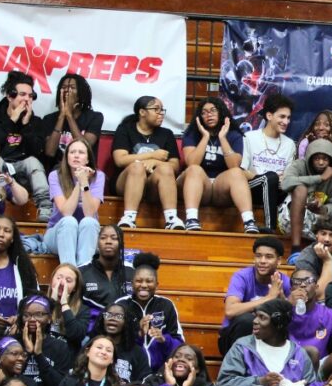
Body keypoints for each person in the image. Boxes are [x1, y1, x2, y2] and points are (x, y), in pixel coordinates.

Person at [0, 71, 50, 221]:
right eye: (22, 94)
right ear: (10, 96)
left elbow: (38, 152)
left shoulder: (35, 122)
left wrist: (26, 125)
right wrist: (11, 121)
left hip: (23, 173)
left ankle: (44, 206)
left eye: (30, 96)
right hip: (0, 168)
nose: (27, 99)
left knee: (33, 162)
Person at [176, 97, 249, 232]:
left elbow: (234, 165)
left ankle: (249, 221)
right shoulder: (192, 133)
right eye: (204, 112)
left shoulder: (234, 135)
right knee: (194, 169)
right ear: (199, 117)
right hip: (197, 183)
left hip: (220, 187)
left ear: (221, 113)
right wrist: (205, 137)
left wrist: (222, 138)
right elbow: (191, 162)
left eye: (213, 111)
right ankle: (191, 219)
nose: (208, 114)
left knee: (237, 173)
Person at [112, 96, 181, 230]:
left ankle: (171, 219)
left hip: (153, 185)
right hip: (126, 182)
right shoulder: (125, 129)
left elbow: (175, 166)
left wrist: (154, 161)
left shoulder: (167, 134)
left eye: (162, 110)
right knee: (137, 167)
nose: (161, 113)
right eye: (156, 109)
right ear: (142, 112)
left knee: (166, 169)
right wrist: (152, 155)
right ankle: (129, 217)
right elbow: (120, 160)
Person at [219, 236, 290, 354]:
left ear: (279, 261)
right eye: (258, 256)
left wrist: (282, 301)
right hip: (232, 338)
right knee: (247, 320)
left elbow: (292, 319)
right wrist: (269, 298)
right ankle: (239, 367)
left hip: (267, 339)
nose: (262, 261)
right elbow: (230, 311)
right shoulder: (242, 277)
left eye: (269, 257)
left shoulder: (284, 282)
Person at [279, 138, 332, 259]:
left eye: (325, 159)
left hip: (319, 218)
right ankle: (295, 250)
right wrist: (320, 178)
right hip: (291, 217)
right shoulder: (299, 165)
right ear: (309, 158)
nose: (321, 162)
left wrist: (322, 209)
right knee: (300, 189)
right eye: (316, 158)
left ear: (331, 160)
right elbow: (285, 183)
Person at [116, 253, 184, 372]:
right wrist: (139, 333)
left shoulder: (166, 305)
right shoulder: (121, 305)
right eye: (138, 281)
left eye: (149, 281)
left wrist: (164, 339)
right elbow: (114, 342)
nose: (143, 285)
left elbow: (180, 345)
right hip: (128, 370)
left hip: (160, 373)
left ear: (157, 284)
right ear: (132, 283)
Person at [44, 138, 104, 267]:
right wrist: (79, 182)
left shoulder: (99, 176)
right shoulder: (55, 175)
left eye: (81, 152)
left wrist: (85, 183)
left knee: (90, 222)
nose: (76, 155)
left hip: (85, 235)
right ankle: (69, 272)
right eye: (72, 152)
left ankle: (84, 271)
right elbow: (66, 212)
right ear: (66, 157)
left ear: (88, 159)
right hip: (57, 234)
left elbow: (89, 213)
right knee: (69, 222)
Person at [242, 94, 296, 233]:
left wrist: (282, 179)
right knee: (270, 177)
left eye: (288, 118)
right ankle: (270, 227)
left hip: (277, 189)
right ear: (269, 115)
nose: (286, 121)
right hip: (253, 188)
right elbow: (242, 171)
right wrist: (267, 177)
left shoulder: (289, 144)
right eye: (282, 117)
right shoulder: (249, 137)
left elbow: (287, 176)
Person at [14, 294, 73, 386]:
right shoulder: (11, 343)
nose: (32, 319)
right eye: (26, 315)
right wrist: (27, 353)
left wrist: (38, 355)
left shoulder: (60, 347)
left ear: (49, 318)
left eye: (39, 314)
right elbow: (6, 379)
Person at [287, 267, 332, 365]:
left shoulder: (329, 314)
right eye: (297, 282)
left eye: (308, 281)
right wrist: (287, 305)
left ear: (316, 287)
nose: (303, 285)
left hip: (319, 366)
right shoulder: (283, 310)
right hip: (287, 363)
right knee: (311, 351)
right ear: (291, 289)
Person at [42, 73, 103, 170]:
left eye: (72, 88)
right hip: (57, 169)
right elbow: (50, 152)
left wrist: (69, 115)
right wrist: (62, 116)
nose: (67, 91)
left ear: (81, 93)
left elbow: (84, 148)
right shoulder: (49, 119)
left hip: (84, 169)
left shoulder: (95, 117)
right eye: (64, 87)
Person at [80, 224, 134, 323]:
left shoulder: (132, 272)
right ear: (97, 242)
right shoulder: (82, 272)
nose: (108, 241)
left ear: (121, 243)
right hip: (91, 330)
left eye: (114, 238)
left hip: (125, 329)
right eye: (103, 238)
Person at [88, 303, 150, 385]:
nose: (112, 319)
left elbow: (144, 381)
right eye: (108, 315)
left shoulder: (137, 352)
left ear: (126, 322)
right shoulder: (92, 346)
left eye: (119, 316)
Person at [293, 215, 332, 301]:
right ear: (316, 235)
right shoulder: (305, 258)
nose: (327, 239)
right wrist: (327, 261)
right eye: (323, 234)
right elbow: (318, 295)